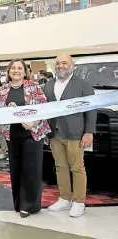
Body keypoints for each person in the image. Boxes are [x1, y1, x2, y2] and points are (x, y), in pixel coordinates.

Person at [0, 58, 51, 218]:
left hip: (32, 133)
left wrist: (33, 123)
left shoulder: (34, 87)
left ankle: (30, 205)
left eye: (19, 68)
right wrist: (7, 109)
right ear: (9, 71)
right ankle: (19, 203)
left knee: (31, 170)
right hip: (12, 135)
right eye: (13, 68)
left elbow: (44, 107)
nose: (16, 71)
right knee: (16, 169)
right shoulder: (4, 90)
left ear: (25, 71)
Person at [45, 54, 96, 218]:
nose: (60, 66)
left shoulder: (83, 85)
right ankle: (65, 197)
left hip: (75, 133)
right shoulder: (48, 85)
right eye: (58, 63)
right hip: (55, 133)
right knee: (60, 167)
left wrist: (89, 131)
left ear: (72, 65)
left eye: (64, 63)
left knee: (77, 167)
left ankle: (79, 201)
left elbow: (91, 109)